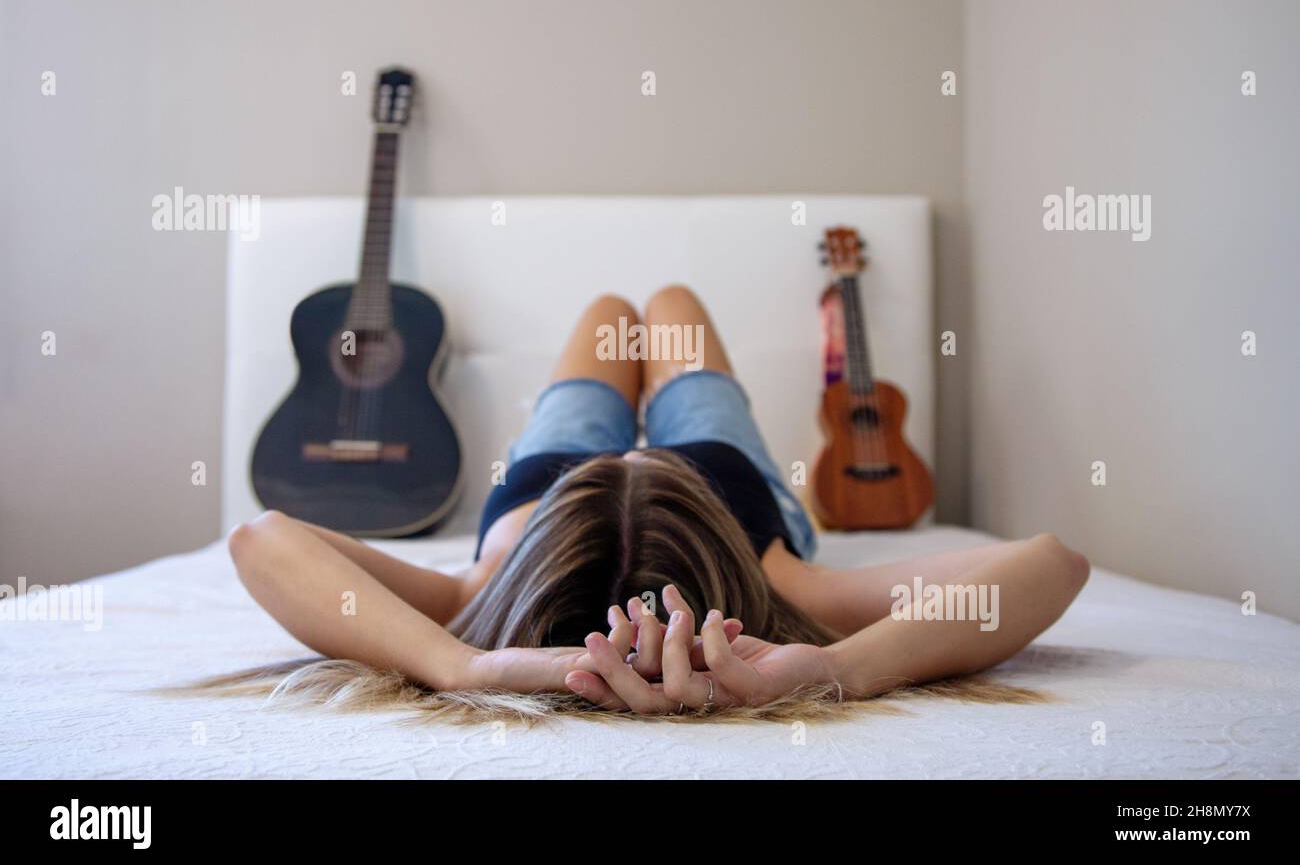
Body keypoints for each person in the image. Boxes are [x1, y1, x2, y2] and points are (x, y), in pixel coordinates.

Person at [228, 285, 1089, 716]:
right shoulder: (789, 584)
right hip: (713, 472)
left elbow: (262, 541)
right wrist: (835, 668)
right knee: (665, 304)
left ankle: (627, 354)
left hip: (553, 480)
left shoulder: (473, 591)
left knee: (615, 311)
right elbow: (1051, 564)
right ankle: (659, 346)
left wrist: (469, 666)